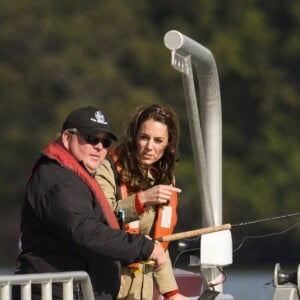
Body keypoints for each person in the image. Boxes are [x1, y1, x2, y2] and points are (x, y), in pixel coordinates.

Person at [13, 105, 167, 300]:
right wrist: (142, 247)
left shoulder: (74, 176)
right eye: (92, 139)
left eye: (105, 142)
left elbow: (95, 224)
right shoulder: (58, 180)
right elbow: (86, 232)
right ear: (67, 138)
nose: (99, 147)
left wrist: (127, 227)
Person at [95, 104, 188, 300]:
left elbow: (159, 243)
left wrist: (171, 293)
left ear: (169, 144)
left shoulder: (164, 178)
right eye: (144, 137)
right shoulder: (106, 168)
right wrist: (143, 199)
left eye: (158, 140)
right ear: (133, 136)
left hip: (142, 287)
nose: (149, 147)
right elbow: (106, 217)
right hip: (108, 284)